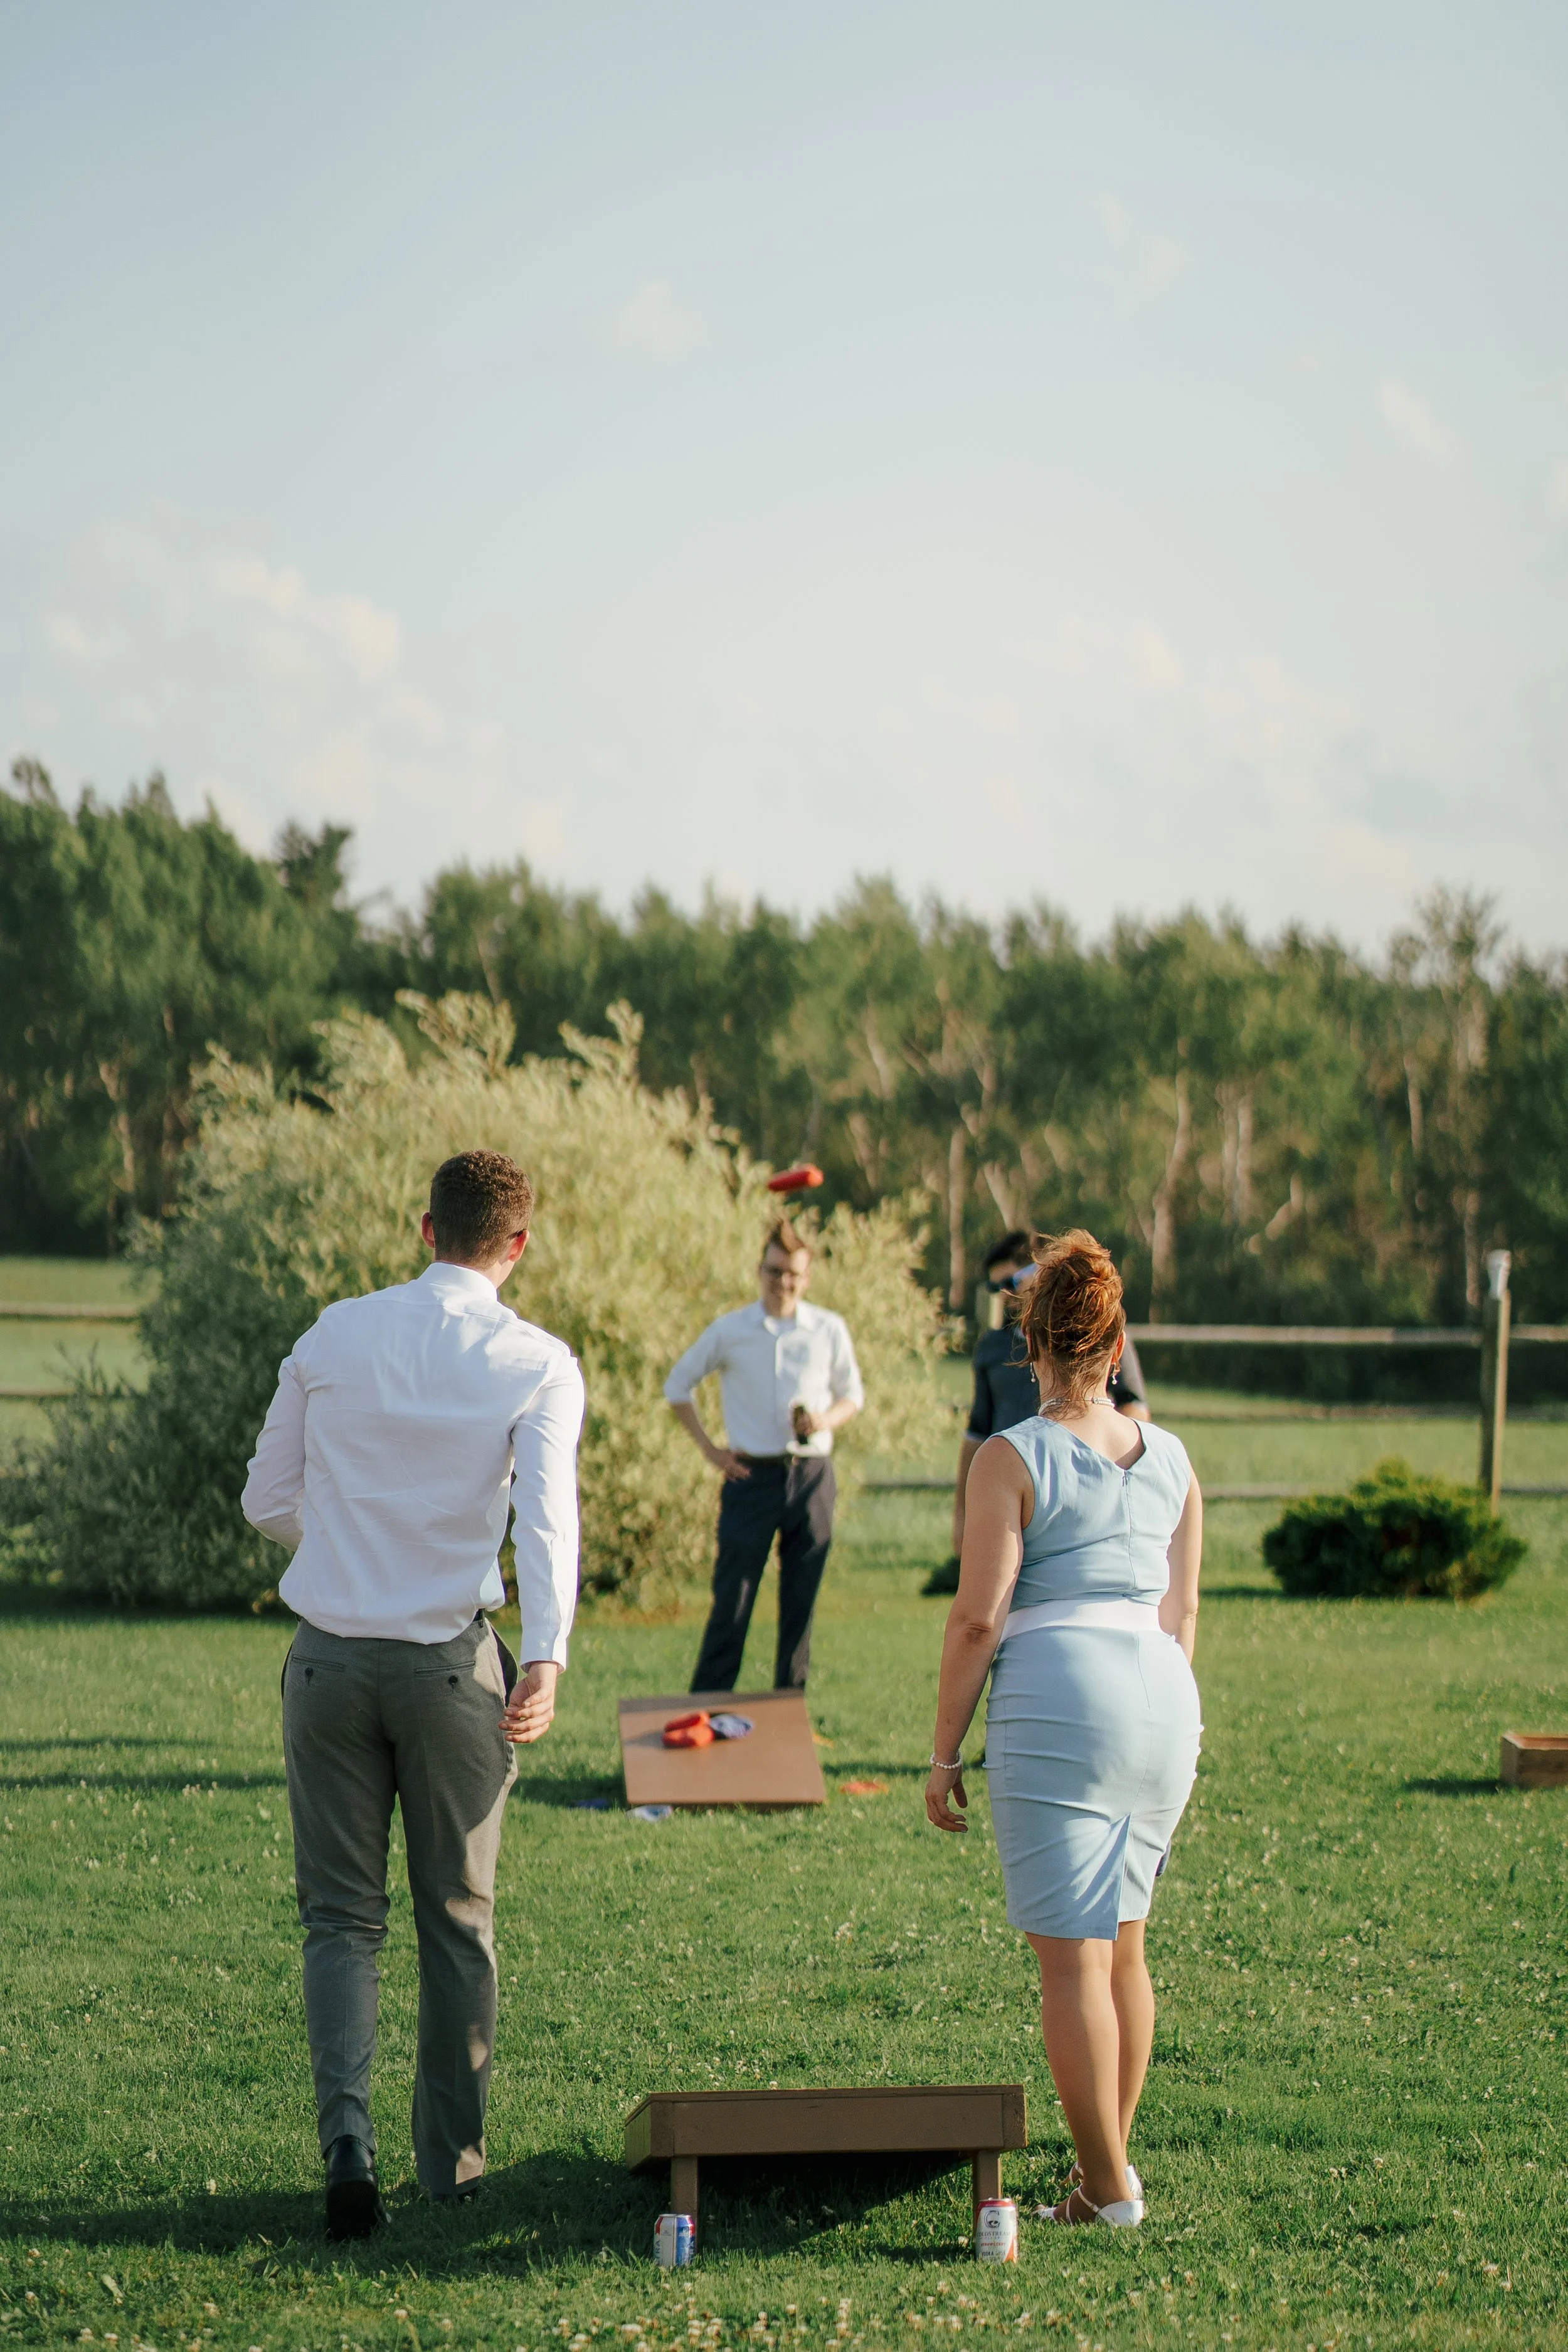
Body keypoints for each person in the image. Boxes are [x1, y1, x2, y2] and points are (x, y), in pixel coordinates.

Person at [241, 1150, 584, 2239]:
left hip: (328, 1661)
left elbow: (266, 1500)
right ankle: (454, 2171)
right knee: (458, 1920)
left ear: (424, 1228)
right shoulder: (537, 1360)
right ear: (516, 1246)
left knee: (340, 1921)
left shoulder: (335, 1332)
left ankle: (348, 2147)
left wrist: (345, 1539)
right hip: (448, 1666)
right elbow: (547, 1521)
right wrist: (549, 1653)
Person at [924, 1229, 1201, 2229]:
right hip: (1166, 1702)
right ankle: (1102, 2177)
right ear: (1117, 1341)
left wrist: (945, 1748)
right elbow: (1184, 1616)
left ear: (1027, 1341)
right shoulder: (1172, 1455)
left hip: (1061, 1696)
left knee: (1072, 1959)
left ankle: (1111, 2185)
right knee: (1124, 1949)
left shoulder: (1010, 1454)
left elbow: (977, 1618)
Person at [664, 1216, 864, 1692]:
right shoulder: (731, 1330)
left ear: (807, 1277)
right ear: (760, 1271)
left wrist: (823, 1420)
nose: (784, 1283)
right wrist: (712, 1451)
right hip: (750, 1476)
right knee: (732, 1599)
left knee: (801, 1603)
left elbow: (852, 1396)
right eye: (775, 1272)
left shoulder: (828, 1329)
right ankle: (707, 1707)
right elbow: (678, 1385)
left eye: (793, 1273)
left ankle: (788, 1713)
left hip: (812, 1474)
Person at [928, 1233, 1149, 1594]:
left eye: (1012, 1281)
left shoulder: (1097, 1333)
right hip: (1008, 1486)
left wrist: (1127, 1483)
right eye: (996, 1287)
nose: (1007, 1294)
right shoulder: (993, 1346)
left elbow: (1134, 1406)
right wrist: (962, 1516)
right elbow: (976, 1433)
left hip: (1081, 1484)